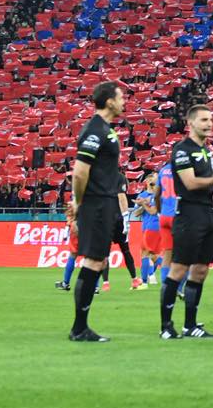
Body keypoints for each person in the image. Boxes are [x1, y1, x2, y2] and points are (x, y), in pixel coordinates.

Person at [160, 105, 213, 340]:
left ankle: (190, 325)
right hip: (187, 214)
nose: (209, 123)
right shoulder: (182, 150)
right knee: (179, 269)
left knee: (201, 270)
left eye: (211, 120)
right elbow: (190, 183)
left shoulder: (206, 151)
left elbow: (204, 184)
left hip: (207, 214)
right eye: (204, 120)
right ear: (191, 123)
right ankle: (166, 326)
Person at [66, 80, 128, 342]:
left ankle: (81, 326)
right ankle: (79, 328)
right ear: (109, 101)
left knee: (99, 260)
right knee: (93, 261)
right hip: (96, 202)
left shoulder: (106, 129)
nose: (124, 101)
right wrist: (79, 203)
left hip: (105, 201)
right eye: (121, 97)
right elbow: (80, 172)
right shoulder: (95, 130)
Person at [136, 173, 162, 286]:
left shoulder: (158, 195)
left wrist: (145, 204)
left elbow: (153, 211)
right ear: (146, 181)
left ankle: (146, 280)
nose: (152, 181)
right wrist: (143, 205)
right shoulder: (142, 195)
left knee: (146, 254)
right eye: (151, 179)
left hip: (153, 227)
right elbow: (136, 213)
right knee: (152, 255)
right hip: (145, 227)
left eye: (154, 179)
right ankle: (150, 276)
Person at [156, 159, 177, 277]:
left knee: (167, 254)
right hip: (177, 216)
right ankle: (179, 288)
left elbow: (156, 195)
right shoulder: (182, 169)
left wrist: (160, 211)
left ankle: (165, 287)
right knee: (184, 254)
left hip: (164, 216)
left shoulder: (163, 170)